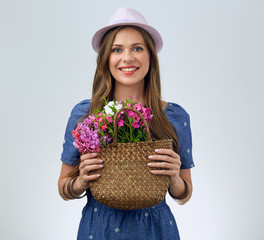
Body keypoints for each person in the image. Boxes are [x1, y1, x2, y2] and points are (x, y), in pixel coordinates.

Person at [58, 8, 194, 240]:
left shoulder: (172, 116)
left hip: (156, 231)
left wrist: (173, 177)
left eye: (137, 48)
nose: (127, 58)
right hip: (99, 230)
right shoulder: (85, 113)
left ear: (150, 57)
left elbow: (184, 195)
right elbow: (63, 187)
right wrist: (80, 181)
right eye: (117, 49)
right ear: (106, 59)